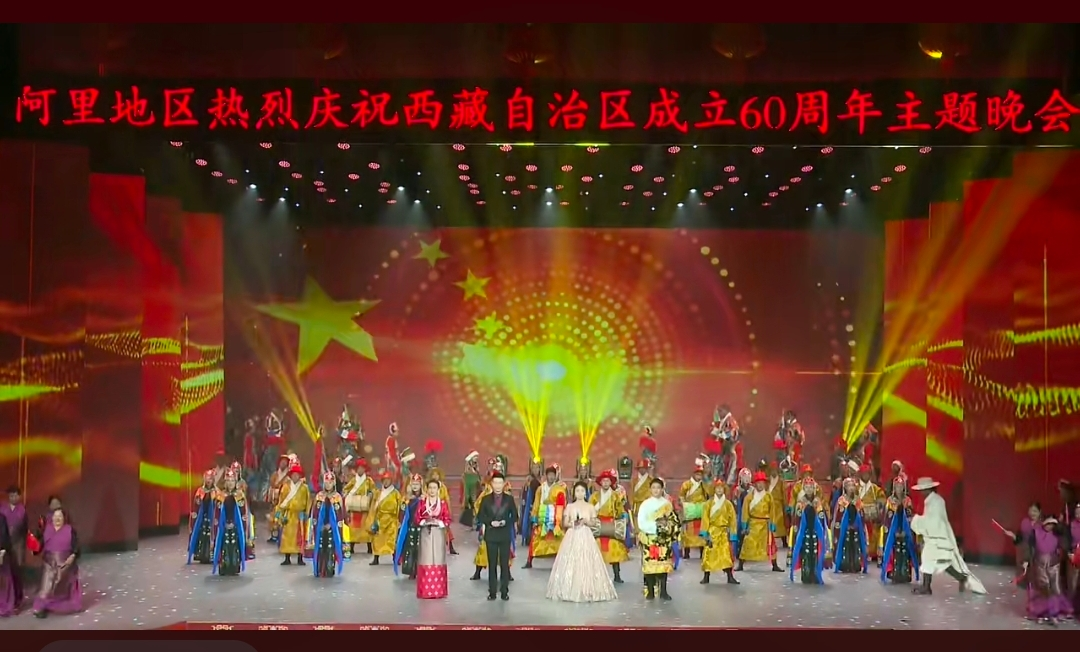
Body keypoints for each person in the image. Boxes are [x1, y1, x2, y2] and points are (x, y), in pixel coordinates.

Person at [909, 476, 986, 595]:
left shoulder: (936, 502)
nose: (921, 493)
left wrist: (916, 520)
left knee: (941, 561)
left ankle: (928, 586)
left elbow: (934, 522)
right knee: (940, 561)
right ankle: (959, 579)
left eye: (922, 490)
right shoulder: (932, 501)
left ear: (927, 489)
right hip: (936, 538)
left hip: (940, 539)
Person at [546, 480, 618, 603]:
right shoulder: (570, 507)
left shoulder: (590, 507)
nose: (580, 493)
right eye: (577, 491)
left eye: (582, 491)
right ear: (574, 493)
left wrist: (586, 522)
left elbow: (594, 522)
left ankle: (588, 589)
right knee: (571, 560)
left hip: (586, 534)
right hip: (572, 535)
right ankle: (569, 588)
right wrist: (573, 523)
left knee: (587, 560)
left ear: (585, 493)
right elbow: (565, 523)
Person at [476, 471, 519, 601]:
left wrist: (506, 522)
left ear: (504, 484)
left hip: (504, 534)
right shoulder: (485, 499)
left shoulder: (509, 499)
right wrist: (490, 522)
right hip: (491, 535)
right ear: (491, 484)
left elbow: (515, 516)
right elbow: (480, 516)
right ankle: (492, 591)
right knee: (492, 565)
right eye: (496, 483)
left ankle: (504, 591)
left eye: (500, 483)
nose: (498, 485)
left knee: (504, 565)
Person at [31, 508, 82, 618]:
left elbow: (76, 546)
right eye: (55, 516)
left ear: (64, 518)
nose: (57, 518)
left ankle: (59, 605)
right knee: (46, 586)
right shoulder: (46, 529)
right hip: (49, 563)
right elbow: (39, 546)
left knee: (62, 587)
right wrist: (34, 548)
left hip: (65, 564)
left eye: (60, 516)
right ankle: (41, 607)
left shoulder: (70, 530)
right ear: (52, 518)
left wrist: (73, 556)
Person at [637, 478, 679, 600]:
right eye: (653, 488)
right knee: (650, 566)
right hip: (649, 539)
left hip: (663, 539)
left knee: (663, 566)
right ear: (650, 489)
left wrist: (666, 528)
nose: (656, 490)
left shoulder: (667, 504)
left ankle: (663, 591)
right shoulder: (645, 504)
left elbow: (673, 521)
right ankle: (650, 591)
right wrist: (655, 527)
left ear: (662, 489)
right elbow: (641, 522)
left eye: (658, 488)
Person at [470, 468, 515, 582]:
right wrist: (488, 521)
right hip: (488, 528)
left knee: (505, 554)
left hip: (503, 530)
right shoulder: (486, 494)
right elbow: (478, 508)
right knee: (484, 550)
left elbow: (513, 514)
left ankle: (507, 574)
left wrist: (506, 521)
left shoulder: (507, 494)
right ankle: (479, 571)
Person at [590, 468, 631, 583]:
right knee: (596, 552)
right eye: (603, 481)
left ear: (611, 482)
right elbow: (590, 509)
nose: (605, 483)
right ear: (600, 482)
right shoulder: (595, 496)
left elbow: (620, 510)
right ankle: (596, 576)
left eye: (607, 481)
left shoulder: (615, 496)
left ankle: (617, 575)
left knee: (614, 551)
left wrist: (623, 518)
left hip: (612, 525)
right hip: (598, 525)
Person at [525, 463, 568, 569]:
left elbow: (562, 504)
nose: (551, 477)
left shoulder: (559, 489)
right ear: (546, 476)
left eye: (553, 475)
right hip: (543, 516)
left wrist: (559, 519)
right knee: (535, 538)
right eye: (549, 475)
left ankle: (562, 562)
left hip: (555, 517)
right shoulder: (541, 489)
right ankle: (529, 561)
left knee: (559, 539)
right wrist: (534, 518)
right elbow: (536, 503)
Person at [739, 471, 783, 573]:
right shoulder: (749, 497)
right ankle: (740, 564)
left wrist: (772, 523)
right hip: (753, 524)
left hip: (765, 524)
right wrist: (744, 525)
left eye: (762, 483)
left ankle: (775, 565)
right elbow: (745, 511)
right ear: (755, 484)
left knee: (770, 544)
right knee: (747, 543)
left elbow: (772, 511)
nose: (760, 485)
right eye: (758, 483)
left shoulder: (768, 496)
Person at [415, 478, 451, 599]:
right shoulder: (422, 503)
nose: (432, 490)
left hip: (438, 533)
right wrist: (424, 521)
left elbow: (447, 518)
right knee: (426, 558)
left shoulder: (442, 503)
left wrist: (440, 523)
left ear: (438, 489)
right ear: (427, 489)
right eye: (430, 488)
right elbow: (417, 517)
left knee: (438, 558)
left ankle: (439, 591)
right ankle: (425, 590)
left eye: (434, 488)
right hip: (426, 533)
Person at [788, 478, 829, 584]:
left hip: (815, 532)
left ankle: (816, 573)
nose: (809, 489)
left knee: (816, 552)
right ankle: (806, 573)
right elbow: (797, 519)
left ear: (814, 489)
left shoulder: (818, 502)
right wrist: (797, 531)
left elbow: (821, 517)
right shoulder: (800, 503)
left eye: (811, 487)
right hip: (804, 532)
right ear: (803, 489)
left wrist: (822, 531)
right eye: (807, 487)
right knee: (805, 552)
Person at [880, 475, 918, 585]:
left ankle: (906, 571)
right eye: (897, 486)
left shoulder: (907, 500)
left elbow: (910, 515)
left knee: (907, 549)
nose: (899, 488)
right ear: (893, 488)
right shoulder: (890, 501)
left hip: (905, 529)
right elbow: (887, 517)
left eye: (901, 486)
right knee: (891, 549)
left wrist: (906, 527)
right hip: (893, 528)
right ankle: (891, 570)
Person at [700, 480, 739, 585]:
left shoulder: (728, 504)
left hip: (723, 533)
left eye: (721, 488)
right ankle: (706, 576)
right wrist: (705, 533)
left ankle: (730, 576)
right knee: (709, 554)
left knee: (726, 555)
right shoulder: (708, 504)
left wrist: (733, 533)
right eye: (717, 488)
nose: (719, 490)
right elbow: (705, 518)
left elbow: (733, 519)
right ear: (714, 490)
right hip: (712, 531)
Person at [212, 468, 250, 576]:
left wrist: (244, 529)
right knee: (223, 546)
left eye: (232, 480)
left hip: (236, 525)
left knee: (235, 545)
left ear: (235, 482)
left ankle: (236, 565)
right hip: (223, 526)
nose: (230, 483)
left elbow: (243, 513)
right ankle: (222, 565)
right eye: (228, 480)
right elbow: (217, 512)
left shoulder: (240, 495)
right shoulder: (220, 495)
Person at [309, 471, 345, 578]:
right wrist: (318, 525)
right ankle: (319, 569)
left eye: (330, 482)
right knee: (320, 547)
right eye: (326, 482)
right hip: (320, 527)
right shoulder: (319, 496)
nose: (328, 485)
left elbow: (340, 514)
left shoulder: (337, 497)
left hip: (332, 528)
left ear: (334, 483)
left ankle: (330, 568)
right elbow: (315, 512)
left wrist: (331, 525)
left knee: (330, 548)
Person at [276, 462, 311, 566]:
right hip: (289, 515)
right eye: (293, 474)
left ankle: (300, 558)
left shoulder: (304, 488)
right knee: (287, 537)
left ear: (300, 476)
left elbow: (308, 502)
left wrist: (306, 514)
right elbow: (281, 501)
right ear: (291, 475)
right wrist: (279, 515)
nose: (295, 476)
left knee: (300, 536)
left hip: (299, 516)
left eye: (297, 474)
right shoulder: (286, 487)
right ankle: (287, 557)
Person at [832, 477, 868, 574]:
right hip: (844, 529)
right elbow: (838, 517)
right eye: (848, 486)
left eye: (852, 486)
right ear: (845, 488)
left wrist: (858, 525)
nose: (851, 488)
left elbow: (862, 515)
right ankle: (844, 563)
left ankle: (856, 564)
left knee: (856, 545)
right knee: (845, 545)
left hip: (856, 528)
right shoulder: (841, 500)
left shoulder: (858, 500)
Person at [341, 459, 375, 558]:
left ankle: (369, 546)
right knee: (353, 528)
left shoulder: (368, 481)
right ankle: (352, 546)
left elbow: (374, 490)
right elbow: (346, 489)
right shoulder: (353, 480)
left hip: (364, 507)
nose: (360, 470)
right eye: (359, 468)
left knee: (366, 527)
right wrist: (348, 494)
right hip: (354, 507)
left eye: (362, 468)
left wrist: (370, 494)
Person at [366, 469, 401, 565]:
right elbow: (373, 506)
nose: (386, 482)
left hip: (391, 520)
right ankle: (376, 558)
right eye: (384, 480)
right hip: (380, 519)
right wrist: (372, 519)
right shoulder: (378, 493)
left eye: (388, 480)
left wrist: (399, 519)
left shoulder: (396, 494)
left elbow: (399, 507)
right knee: (377, 539)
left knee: (392, 540)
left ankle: (395, 558)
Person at [394, 474, 425, 580]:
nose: (415, 486)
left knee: (421, 549)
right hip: (410, 526)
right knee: (410, 549)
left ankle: (421, 570)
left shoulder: (424, 499)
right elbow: (401, 513)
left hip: (422, 527)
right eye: (413, 484)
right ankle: (411, 570)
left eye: (417, 484)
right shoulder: (406, 499)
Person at [678, 462, 711, 559]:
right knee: (688, 533)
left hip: (701, 510)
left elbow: (708, 494)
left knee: (701, 532)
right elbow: (681, 496)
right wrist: (684, 505)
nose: (699, 476)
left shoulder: (704, 485)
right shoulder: (687, 484)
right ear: (693, 474)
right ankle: (687, 552)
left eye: (700, 474)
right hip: (690, 511)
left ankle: (702, 552)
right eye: (697, 474)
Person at [3, 485, 27, 608]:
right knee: (5, 573)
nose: (13, 497)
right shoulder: (2, 509)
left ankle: (18, 600)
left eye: (15, 495)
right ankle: (7, 599)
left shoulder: (22, 510)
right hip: (4, 545)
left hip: (18, 545)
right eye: (11, 495)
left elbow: (25, 530)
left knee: (17, 573)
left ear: (19, 496)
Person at [187, 470, 217, 565]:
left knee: (212, 534)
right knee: (201, 533)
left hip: (212, 517)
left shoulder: (216, 491)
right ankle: (199, 553)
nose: (208, 481)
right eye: (207, 478)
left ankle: (212, 553)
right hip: (202, 516)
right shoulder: (200, 491)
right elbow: (196, 503)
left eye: (210, 479)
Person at [265, 454, 291, 542]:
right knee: (272, 518)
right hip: (274, 500)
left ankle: (280, 535)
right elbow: (271, 485)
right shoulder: (275, 474)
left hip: (282, 500)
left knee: (279, 518)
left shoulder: (288, 476)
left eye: (285, 462)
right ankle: (273, 535)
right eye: (281, 462)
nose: (282, 463)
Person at [459, 451, 482, 528]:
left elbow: (477, 474)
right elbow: (467, 473)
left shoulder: (476, 465)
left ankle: (476, 520)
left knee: (475, 501)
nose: (476, 458)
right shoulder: (468, 465)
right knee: (469, 501)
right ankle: (469, 521)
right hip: (469, 483)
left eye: (477, 457)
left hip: (475, 484)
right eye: (475, 457)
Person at [0, 510, 16, 616]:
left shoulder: (1, 518)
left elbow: (4, 536)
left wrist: (2, 551)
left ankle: (5, 605)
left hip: (1, 552)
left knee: (4, 580)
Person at [630, 459, 654, 526]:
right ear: (638, 469)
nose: (643, 470)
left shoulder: (651, 480)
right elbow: (631, 493)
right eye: (641, 468)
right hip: (637, 506)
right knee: (637, 525)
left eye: (645, 468)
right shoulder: (634, 480)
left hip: (647, 505)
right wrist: (631, 505)